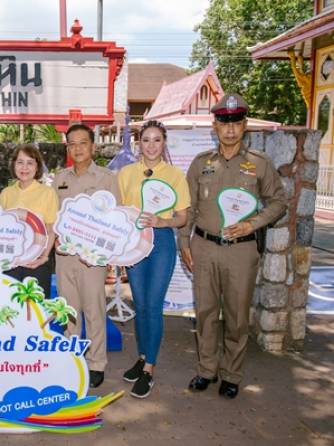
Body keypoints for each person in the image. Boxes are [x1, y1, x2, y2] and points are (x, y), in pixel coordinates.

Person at [179, 93, 287, 399]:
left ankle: (231, 374)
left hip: (241, 251)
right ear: (215, 126)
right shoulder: (201, 164)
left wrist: (253, 224)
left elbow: (279, 202)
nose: (230, 129)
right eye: (224, 122)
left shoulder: (259, 164)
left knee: (237, 317)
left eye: (236, 122)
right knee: (205, 313)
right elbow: (189, 207)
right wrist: (183, 242)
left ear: (245, 125)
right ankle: (206, 370)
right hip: (204, 247)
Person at [118, 120, 190, 398]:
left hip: (161, 243)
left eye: (156, 140)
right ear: (139, 143)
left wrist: (162, 221)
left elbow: (182, 217)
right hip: (134, 242)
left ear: (164, 143)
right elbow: (120, 212)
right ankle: (142, 356)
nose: (151, 145)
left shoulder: (175, 175)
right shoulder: (126, 173)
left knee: (153, 304)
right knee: (140, 304)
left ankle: (149, 368)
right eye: (146, 140)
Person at [53, 124, 121, 388]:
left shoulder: (106, 178)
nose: (78, 148)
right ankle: (72, 359)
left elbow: (116, 219)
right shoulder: (60, 178)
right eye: (72, 144)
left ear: (93, 146)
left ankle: (96, 363)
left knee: (94, 310)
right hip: (65, 256)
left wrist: (106, 254)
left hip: (93, 258)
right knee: (68, 311)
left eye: (83, 143)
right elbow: (53, 216)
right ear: (67, 148)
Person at [0, 144, 58, 298]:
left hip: (36, 263)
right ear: (14, 165)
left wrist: (44, 257)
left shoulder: (47, 192)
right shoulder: (6, 193)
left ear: (37, 167)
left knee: (35, 308)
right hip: (10, 263)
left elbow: (50, 229)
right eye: (20, 162)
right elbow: (0, 230)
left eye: (30, 163)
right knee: (9, 306)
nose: (24, 168)